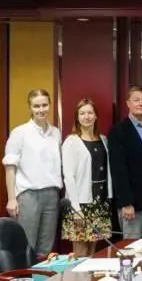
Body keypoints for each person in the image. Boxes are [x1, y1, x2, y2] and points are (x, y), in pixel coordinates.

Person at [2, 89, 62, 256]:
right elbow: (10, 167)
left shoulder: (56, 133)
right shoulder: (19, 133)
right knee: (26, 246)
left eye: (44, 105)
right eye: (36, 106)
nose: (41, 109)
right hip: (28, 196)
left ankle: (41, 274)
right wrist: (11, 199)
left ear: (50, 105)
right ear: (30, 108)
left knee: (46, 249)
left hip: (52, 195)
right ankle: (25, 274)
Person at [108, 85, 142, 238]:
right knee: (131, 246)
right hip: (132, 202)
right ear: (128, 103)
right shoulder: (119, 131)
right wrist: (126, 202)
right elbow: (118, 169)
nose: (141, 103)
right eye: (136, 100)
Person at [61, 98, 113, 257]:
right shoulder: (71, 141)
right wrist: (76, 209)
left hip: (100, 202)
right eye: (82, 113)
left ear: (96, 116)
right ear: (77, 117)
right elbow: (68, 177)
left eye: (90, 112)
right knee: (81, 252)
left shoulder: (104, 140)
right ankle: (77, 276)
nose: (87, 116)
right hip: (81, 204)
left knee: (92, 253)